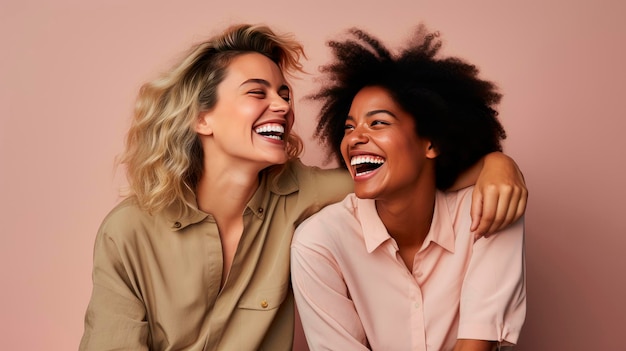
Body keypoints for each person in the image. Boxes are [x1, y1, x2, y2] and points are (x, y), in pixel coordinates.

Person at [79, 24, 527, 351]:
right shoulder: (129, 233)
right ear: (202, 118)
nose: (282, 106)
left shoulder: (302, 195)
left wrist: (497, 163)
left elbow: (397, 174)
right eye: (258, 93)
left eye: (284, 93)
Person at [291, 26, 526, 351]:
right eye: (349, 127)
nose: (355, 137)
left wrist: (498, 163)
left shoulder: (488, 209)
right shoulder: (319, 242)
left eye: (378, 122)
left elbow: (476, 347)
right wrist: (498, 163)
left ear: (431, 142)